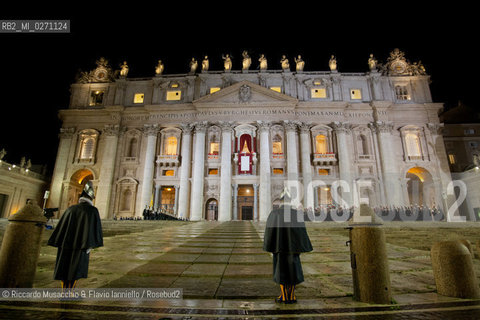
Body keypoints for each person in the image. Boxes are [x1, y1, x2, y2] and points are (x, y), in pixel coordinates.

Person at [47, 181, 103, 289]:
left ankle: (64, 291)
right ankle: (70, 292)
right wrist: (90, 244)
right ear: (91, 198)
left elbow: (61, 227)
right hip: (81, 245)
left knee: (63, 268)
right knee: (75, 270)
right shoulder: (92, 211)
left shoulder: (70, 209)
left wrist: (59, 241)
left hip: (65, 245)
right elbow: (94, 229)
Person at [263, 187, 313, 304]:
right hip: (293, 249)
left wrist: (269, 245)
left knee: (281, 272)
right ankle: (292, 296)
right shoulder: (297, 214)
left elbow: (269, 232)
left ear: (280, 201)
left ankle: (284, 296)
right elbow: (302, 232)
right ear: (290, 201)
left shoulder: (274, 214)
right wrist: (301, 246)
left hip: (279, 249)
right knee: (293, 271)